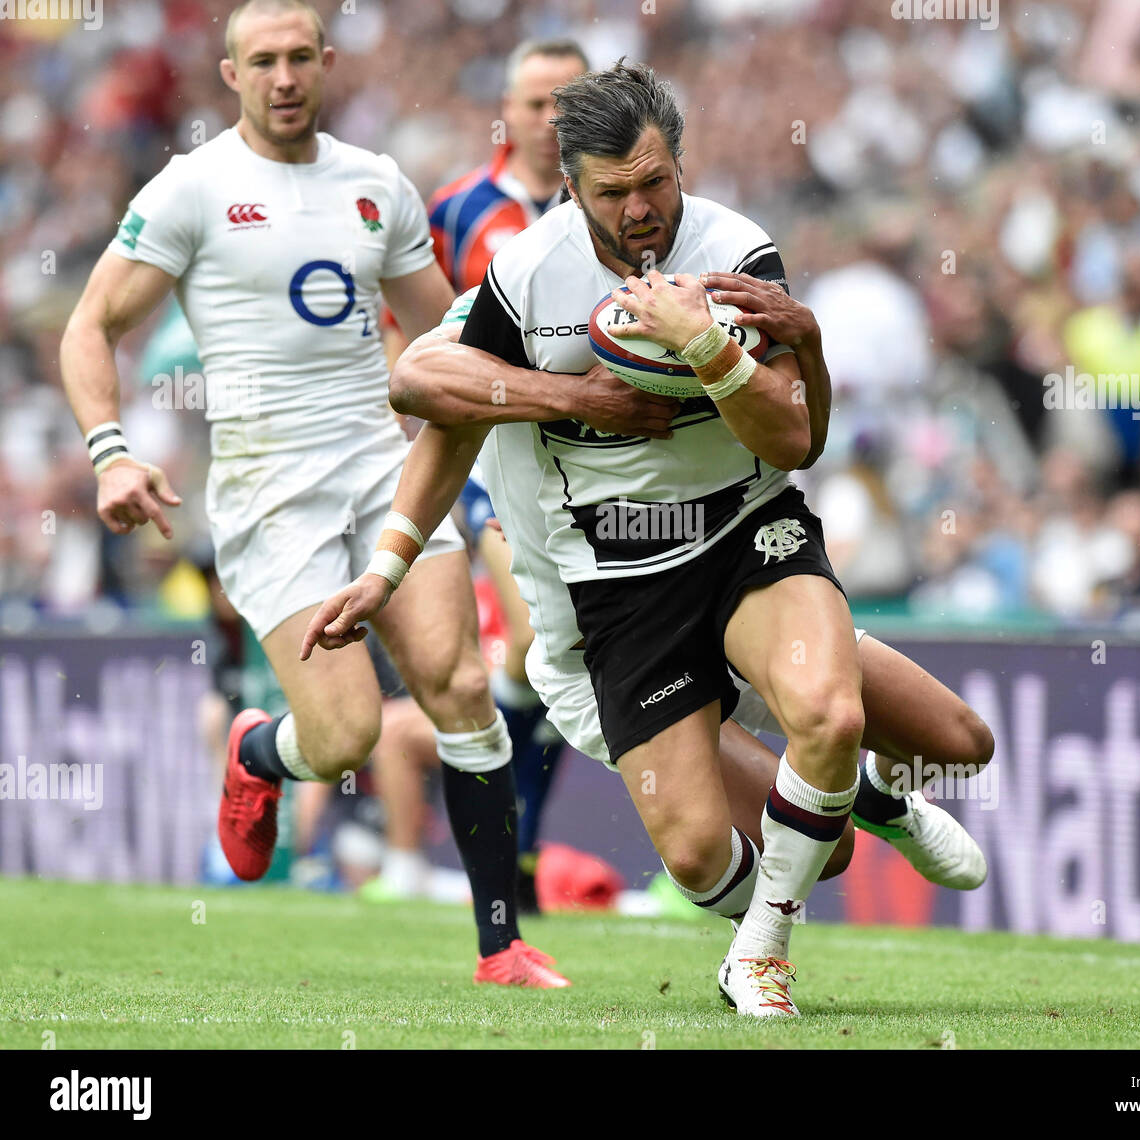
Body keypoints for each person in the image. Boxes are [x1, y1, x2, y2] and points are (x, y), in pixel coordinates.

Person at [304, 62, 993, 1016]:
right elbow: (426, 395)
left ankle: (762, 956)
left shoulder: (739, 252)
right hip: (617, 595)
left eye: (655, 180)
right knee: (731, 856)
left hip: (746, 538)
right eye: (614, 191)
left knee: (939, 738)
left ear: (680, 161)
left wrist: (713, 346)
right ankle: (865, 803)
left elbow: (795, 438)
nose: (640, 209)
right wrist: (394, 561)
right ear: (570, 184)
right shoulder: (527, 272)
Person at [58, 0, 566, 987]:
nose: (284, 77)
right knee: (346, 737)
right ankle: (259, 756)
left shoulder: (376, 185)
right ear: (230, 75)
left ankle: (500, 944)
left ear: (327, 63)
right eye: (264, 62)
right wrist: (111, 453)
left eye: (300, 57)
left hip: (383, 466)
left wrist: (545, 377)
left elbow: (445, 329)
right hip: (267, 491)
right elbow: (89, 324)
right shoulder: (192, 189)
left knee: (463, 689)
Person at [379, 40, 591, 911]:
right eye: (536, 104)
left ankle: (524, 851)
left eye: (567, 104)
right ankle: (515, 857)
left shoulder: (618, 211)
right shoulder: (460, 211)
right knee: (549, 642)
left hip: (588, 464)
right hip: (487, 465)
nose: (551, 122)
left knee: (562, 652)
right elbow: (408, 330)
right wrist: (415, 430)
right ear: (506, 111)